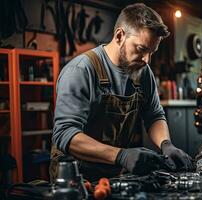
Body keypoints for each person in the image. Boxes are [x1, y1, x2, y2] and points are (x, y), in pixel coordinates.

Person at [50, 3, 193, 182]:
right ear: (119, 36)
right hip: (75, 176)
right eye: (141, 49)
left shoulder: (142, 71)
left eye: (152, 52)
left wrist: (166, 144)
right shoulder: (81, 70)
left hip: (113, 173)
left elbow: (154, 114)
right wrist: (121, 156)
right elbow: (65, 134)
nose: (147, 60)